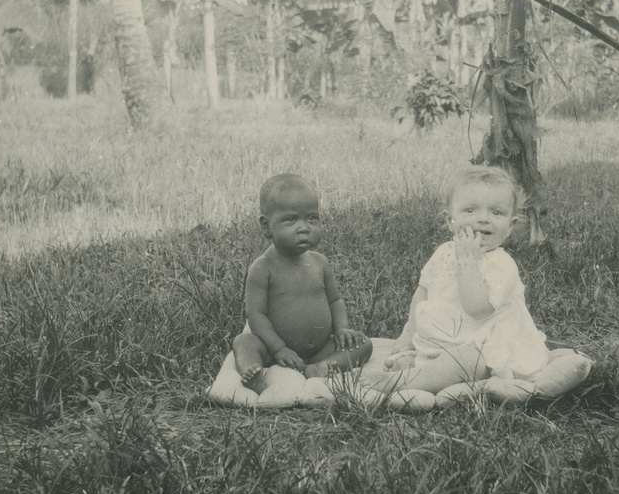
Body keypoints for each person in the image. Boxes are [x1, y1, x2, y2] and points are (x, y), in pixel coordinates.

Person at [373, 165, 549, 395]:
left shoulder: (501, 265)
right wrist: (409, 333)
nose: (483, 219)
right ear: (450, 220)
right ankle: (419, 368)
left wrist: (468, 263)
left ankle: (409, 382)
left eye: (496, 213)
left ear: (510, 226)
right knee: (433, 355)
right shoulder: (444, 252)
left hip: (485, 345)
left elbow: (477, 309)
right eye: (470, 210)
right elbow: (423, 291)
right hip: (443, 340)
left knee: (471, 361)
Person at [233, 174, 372, 392]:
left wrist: (342, 327)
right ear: (266, 226)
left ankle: (323, 366)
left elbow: (335, 300)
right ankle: (255, 376)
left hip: (319, 348)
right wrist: (278, 349)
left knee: (363, 343)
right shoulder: (262, 268)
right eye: (291, 220)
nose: (304, 227)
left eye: (312, 218)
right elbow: (255, 315)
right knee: (244, 342)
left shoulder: (320, 263)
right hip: (274, 351)